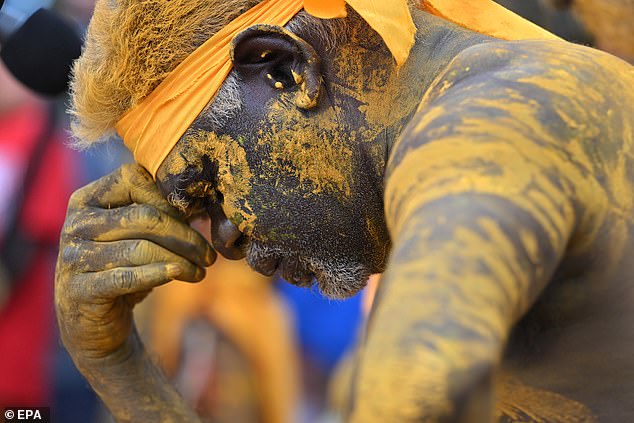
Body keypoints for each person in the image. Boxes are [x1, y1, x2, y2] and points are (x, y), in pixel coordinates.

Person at [55, 0, 634, 421]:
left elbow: (414, 393)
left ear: (285, 68)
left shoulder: (496, 121)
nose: (226, 240)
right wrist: (117, 364)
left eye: (211, 188)